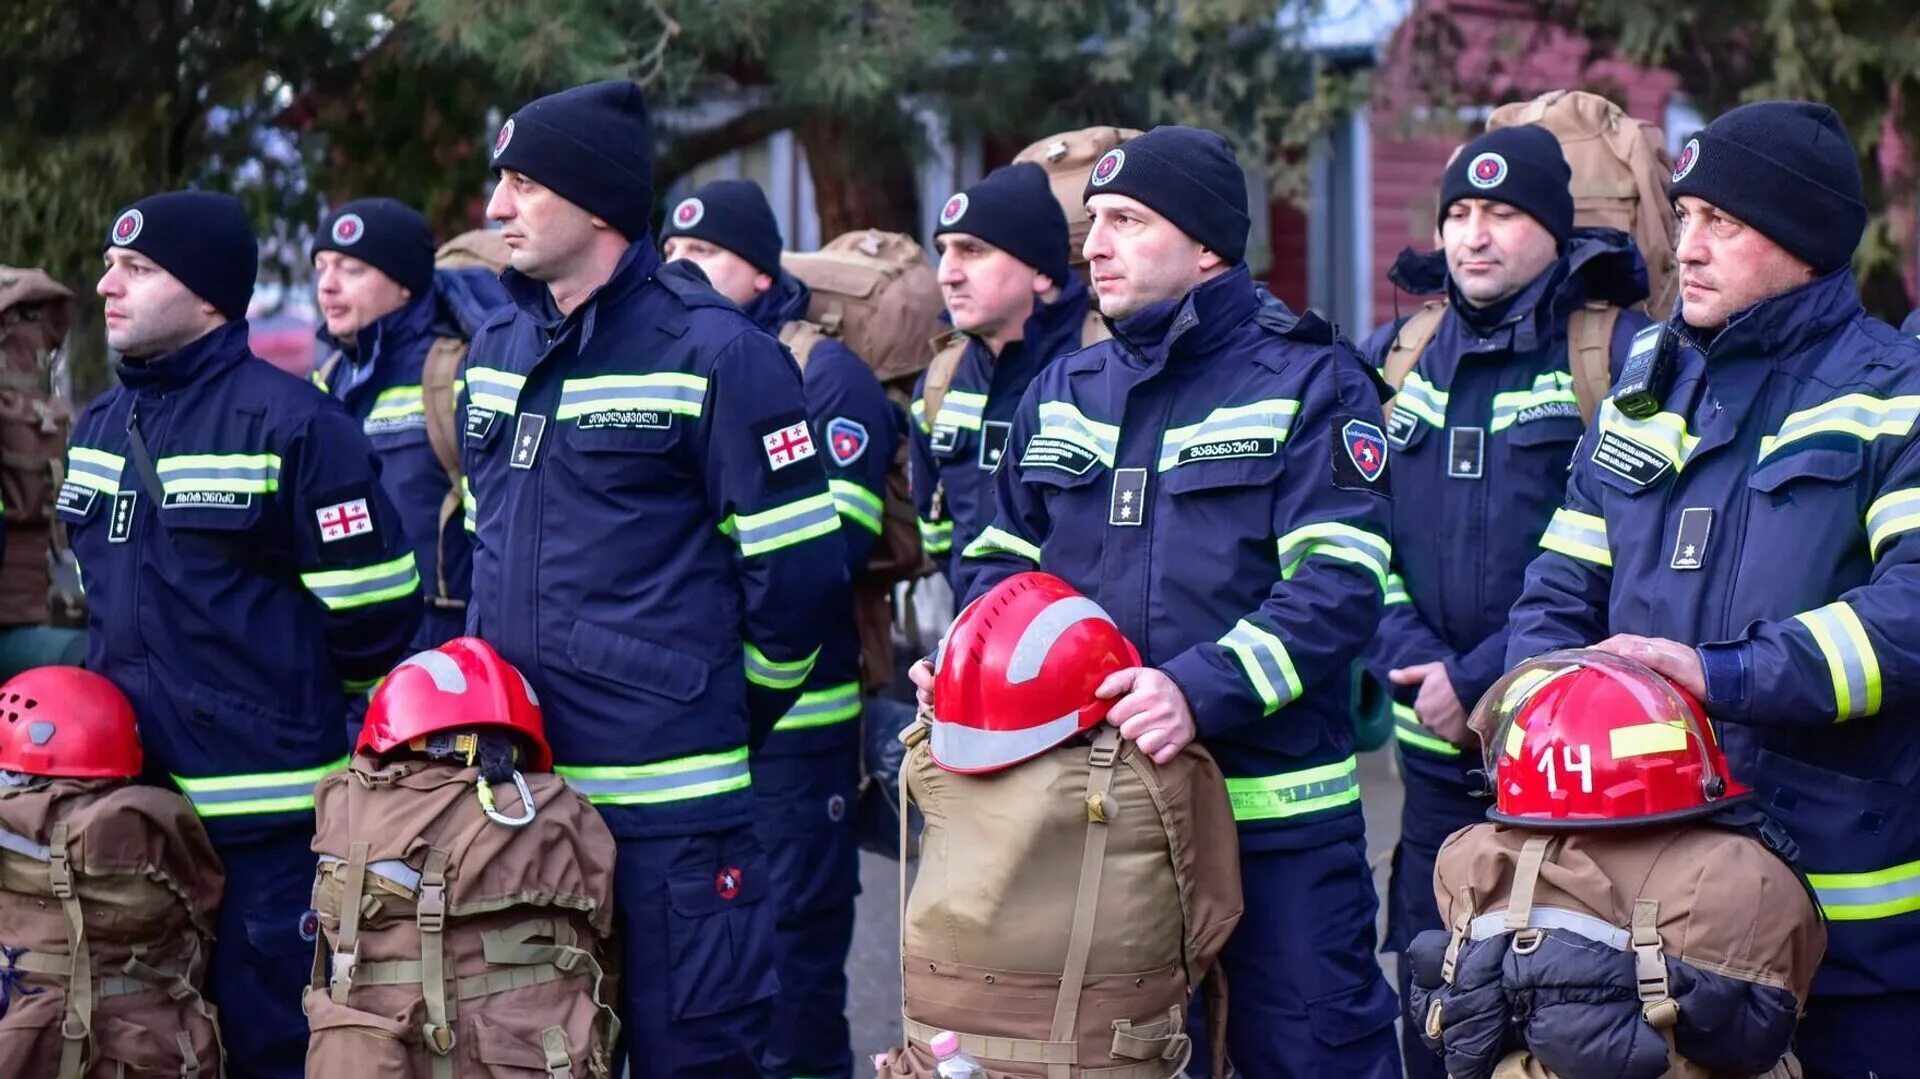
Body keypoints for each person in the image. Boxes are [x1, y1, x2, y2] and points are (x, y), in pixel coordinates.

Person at [919, 125, 1403, 1075]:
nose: (1094, 243)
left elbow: (1340, 587)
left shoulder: (1312, 380)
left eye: (1128, 221)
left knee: (1311, 1057)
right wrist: (972, 662)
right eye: (1093, 221)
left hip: (1274, 829)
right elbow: (999, 572)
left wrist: (1196, 689)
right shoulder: (1063, 388)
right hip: (1090, 824)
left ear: (1209, 244)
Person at [1505, 100, 1920, 1078]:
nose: (1686, 246)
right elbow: (1558, 588)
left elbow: (1909, 620)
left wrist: (1717, 673)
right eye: (1684, 215)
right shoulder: (1649, 383)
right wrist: (1539, 701)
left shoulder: (1896, 392)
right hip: (1639, 903)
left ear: (1805, 240)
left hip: (1841, 928)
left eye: (1722, 222)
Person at [462, 81, 845, 1076]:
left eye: (522, 184)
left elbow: (798, 573)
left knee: (695, 1059)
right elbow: (477, 541)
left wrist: (726, 705)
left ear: (596, 203)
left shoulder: (719, 351)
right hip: (523, 802)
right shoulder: (498, 346)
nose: (495, 207)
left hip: (674, 817)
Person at [62, 189, 421, 1077]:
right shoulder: (100, 429)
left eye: (138, 269)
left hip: (268, 835)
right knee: (137, 1050)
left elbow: (377, 615)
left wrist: (272, 712)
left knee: (275, 1050)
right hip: (131, 827)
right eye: (112, 263)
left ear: (211, 294)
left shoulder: (297, 424)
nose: (108, 284)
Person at [1358, 124, 1652, 1077]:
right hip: (1429, 757)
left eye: (1503, 214)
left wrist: (1480, 680)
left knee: (1561, 998)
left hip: (1565, 760)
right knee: (1431, 981)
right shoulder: (1397, 359)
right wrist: (1415, 666)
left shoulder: (1613, 356)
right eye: (1459, 214)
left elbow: (1620, 556)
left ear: (1555, 233)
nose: (1474, 236)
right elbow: (1350, 530)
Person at [662, 177, 901, 1079]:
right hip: (702, 728)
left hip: (798, 736)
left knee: (794, 980)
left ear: (760, 275)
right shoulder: (675, 364)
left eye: (706, 254)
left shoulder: (822, 371)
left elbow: (826, 548)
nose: (681, 267)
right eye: (672, 253)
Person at [311, 197, 506, 652]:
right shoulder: (328, 379)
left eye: (351, 269)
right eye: (321, 267)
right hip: (350, 657)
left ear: (404, 283)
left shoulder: (457, 373)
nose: (328, 286)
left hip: (444, 655)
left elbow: (499, 533)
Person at [908, 163, 1093, 593]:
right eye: (943, 250)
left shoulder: (1104, 366)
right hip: (971, 643)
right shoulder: (941, 380)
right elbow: (938, 534)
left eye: (972, 250)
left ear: (1041, 270)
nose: (947, 273)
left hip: (1091, 648)